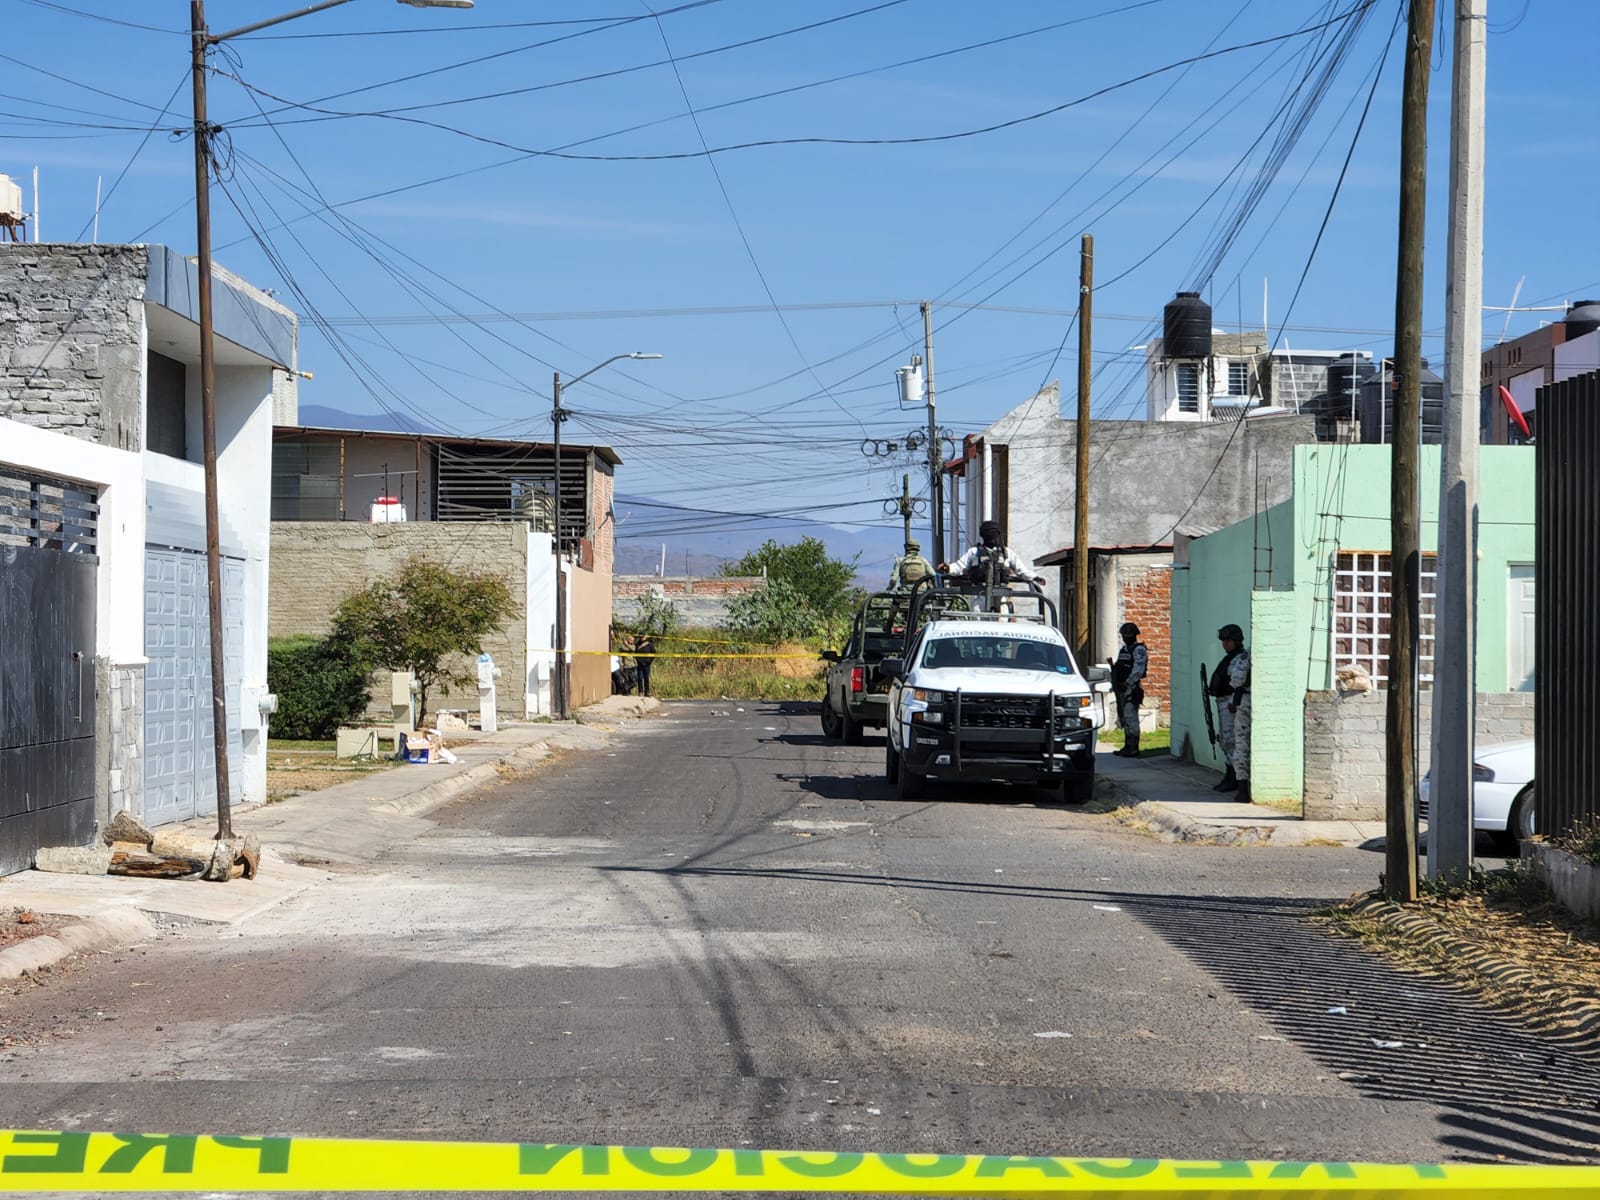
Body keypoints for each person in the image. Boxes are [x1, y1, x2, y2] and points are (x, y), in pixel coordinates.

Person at [937, 520, 1042, 586]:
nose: (992, 537)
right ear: (983, 536)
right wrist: (948, 568)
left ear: (998, 535)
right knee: (978, 619)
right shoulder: (974, 552)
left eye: (994, 534)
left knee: (1002, 619)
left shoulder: (1007, 553)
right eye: (988, 534)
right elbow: (960, 566)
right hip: (979, 592)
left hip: (1001, 593)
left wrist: (1035, 577)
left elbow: (1021, 570)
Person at [1212, 623, 1251, 801]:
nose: (1225, 644)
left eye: (1228, 641)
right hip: (1224, 701)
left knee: (1232, 740)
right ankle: (1230, 775)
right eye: (1223, 641)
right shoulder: (1231, 658)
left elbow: (1236, 680)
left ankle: (1235, 778)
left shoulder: (1240, 657)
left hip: (1232, 703)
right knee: (1225, 740)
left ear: (1236, 641)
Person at [1110, 622, 1148, 757]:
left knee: (1131, 717)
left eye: (1128, 635)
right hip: (1121, 687)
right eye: (1124, 635)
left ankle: (1134, 747)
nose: (1126, 637)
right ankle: (1127, 745)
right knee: (1124, 717)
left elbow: (1138, 669)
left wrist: (1128, 682)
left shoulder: (1139, 650)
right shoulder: (1124, 650)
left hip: (1132, 687)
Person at [631, 630, 656, 697]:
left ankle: (647, 692)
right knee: (639, 678)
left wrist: (649, 661)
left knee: (646, 678)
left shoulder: (650, 645)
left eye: (642, 637)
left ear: (645, 637)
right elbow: (634, 654)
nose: (641, 638)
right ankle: (640, 692)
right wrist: (637, 661)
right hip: (639, 664)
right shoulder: (637, 645)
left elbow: (654, 653)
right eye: (640, 637)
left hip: (647, 664)